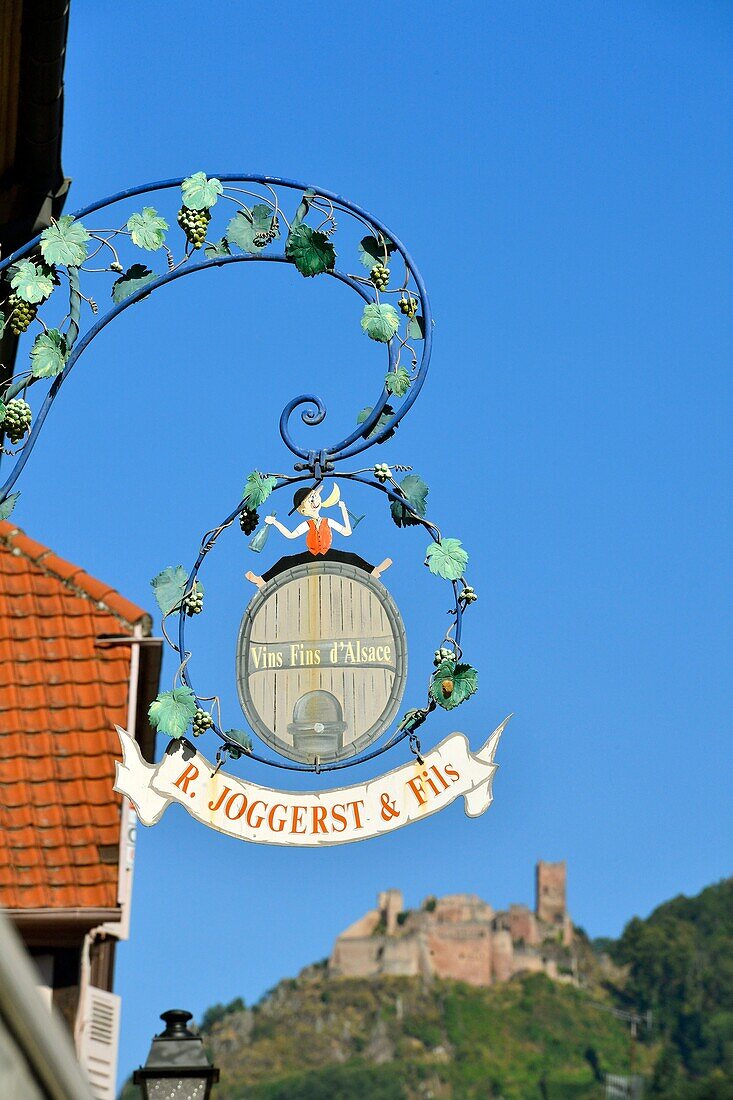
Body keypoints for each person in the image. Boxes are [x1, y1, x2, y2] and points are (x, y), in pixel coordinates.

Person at [245, 483, 391, 588]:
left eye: (315, 497)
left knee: (351, 557)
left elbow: (347, 532)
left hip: (327, 553)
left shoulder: (328, 521)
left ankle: (374, 571)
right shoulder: (307, 524)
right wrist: (275, 523)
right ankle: (262, 580)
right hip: (312, 555)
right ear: (302, 510)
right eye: (310, 500)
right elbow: (290, 535)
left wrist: (343, 512)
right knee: (285, 561)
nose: (315, 502)